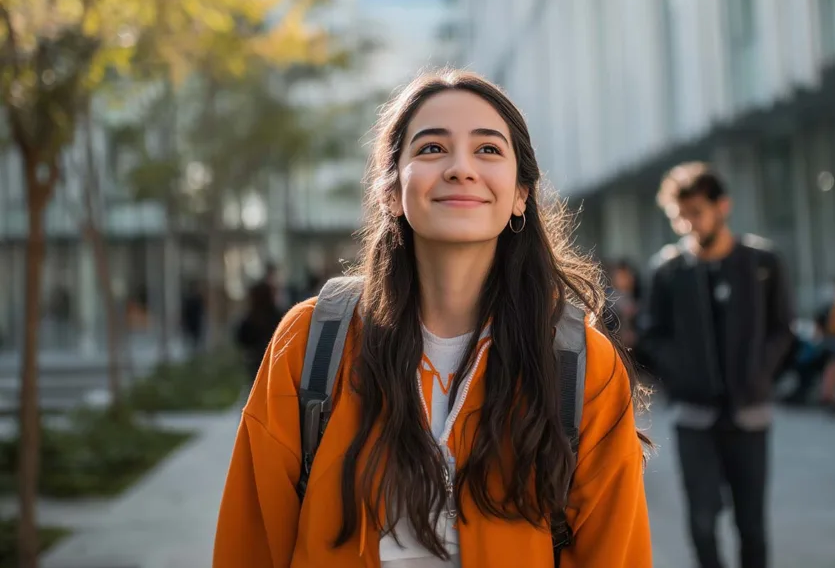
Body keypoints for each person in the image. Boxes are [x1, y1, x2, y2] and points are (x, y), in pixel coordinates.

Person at [213, 70, 652, 568]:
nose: (460, 169)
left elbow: (616, 556)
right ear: (391, 193)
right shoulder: (312, 342)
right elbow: (249, 545)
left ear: (520, 194)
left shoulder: (580, 364)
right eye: (431, 149)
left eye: (487, 150)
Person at [637, 162, 794, 568]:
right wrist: (683, 374)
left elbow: (782, 328)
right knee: (703, 522)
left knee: (752, 525)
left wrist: (760, 371)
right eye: (679, 216)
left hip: (750, 413)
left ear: (722, 206)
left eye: (696, 212)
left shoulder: (762, 262)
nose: (688, 224)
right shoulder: (668, 271)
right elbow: (652, 335)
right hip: (694, 417)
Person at [234, 279, 283, 382]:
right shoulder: (278, 317)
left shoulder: (249, 318)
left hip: (255, 363)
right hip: (275, 362)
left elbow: (241, 339)